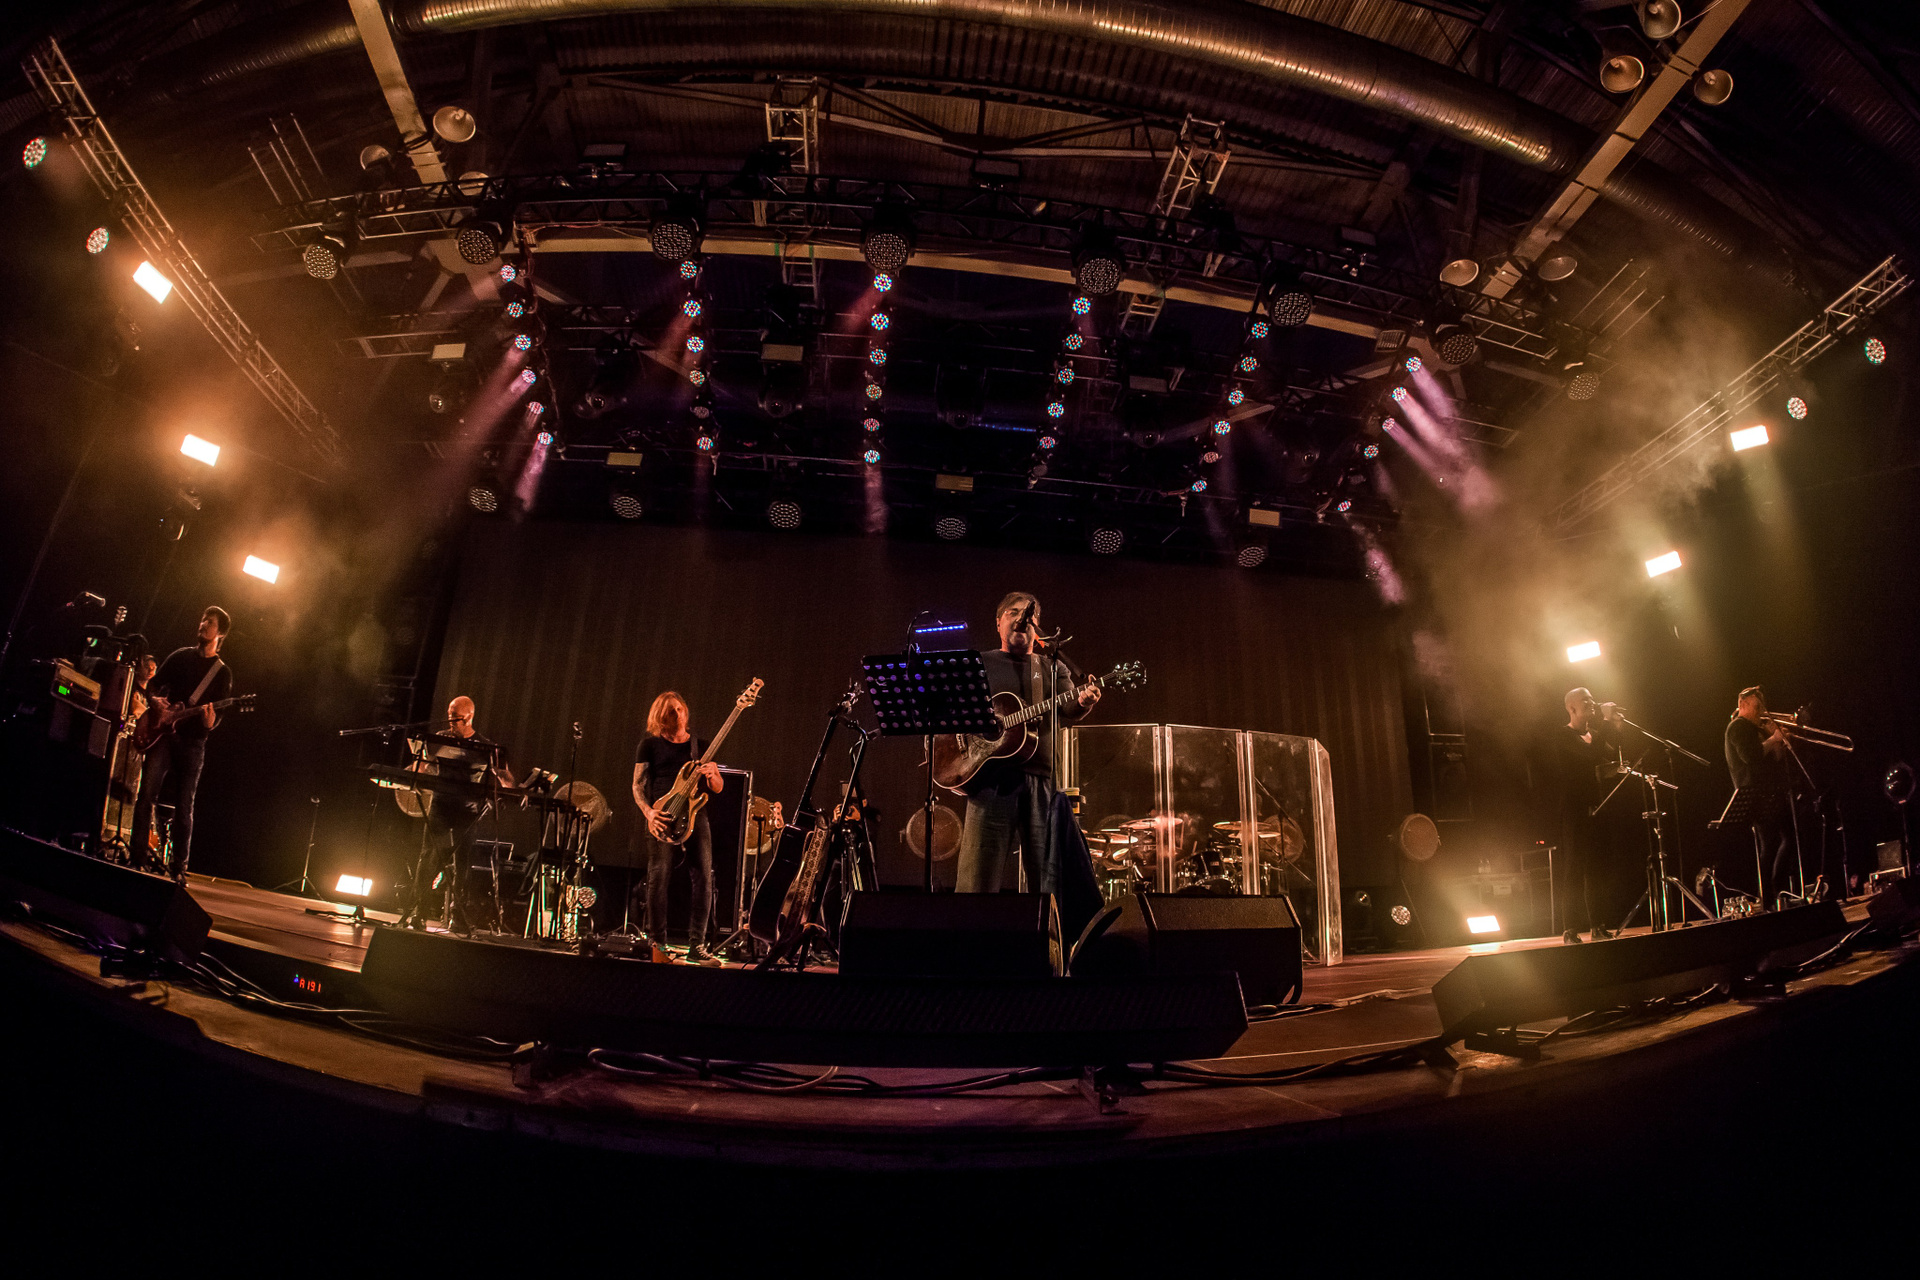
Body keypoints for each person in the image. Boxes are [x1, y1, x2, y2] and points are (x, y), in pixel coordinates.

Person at [956, 592, 1101, 896]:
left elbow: (1068, 708)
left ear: (1037, 629)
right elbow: (955, 711)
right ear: (998, 623)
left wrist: (1084, 701)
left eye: (1029, 615)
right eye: (1013, 612)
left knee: (1048, 882)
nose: (1022, 618)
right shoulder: (979, 664)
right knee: (976, 881)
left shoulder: (1051, 667)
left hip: (1041, 780)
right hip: (990, 779)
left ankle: (1046, 929)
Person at [131, 607, 233, 879]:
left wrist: (210, 721)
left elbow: (217, 718)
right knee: (145, 795)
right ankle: (136, 858)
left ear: (220, 633)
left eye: (210, 622)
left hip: (193, 743)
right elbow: (153, 685)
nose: (203, 624)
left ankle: (179, 868)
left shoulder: (222, 673)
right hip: (163, 736)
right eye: (203, 619)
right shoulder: (180, 657)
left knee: (184, 805)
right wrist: (155, 701)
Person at [406, 695, 513, 932]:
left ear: (469, 717)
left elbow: (505, 777)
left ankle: (458, 917)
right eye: (449, 715)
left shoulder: (484, 745)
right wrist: (416, 764)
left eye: (455, 717)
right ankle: (418, 912)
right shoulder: (441, 738)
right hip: (440, 806)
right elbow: (424, 766)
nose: (450, 721)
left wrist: (511, 785)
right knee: (429, 858)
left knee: (463, 863)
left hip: (468, 811)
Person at [633, 691, 724, 965]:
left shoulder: (700, 746)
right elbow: (637, 785)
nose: (677, 714)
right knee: (659, 876)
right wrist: (650, 814)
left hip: (696, 814)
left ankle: (698, 946)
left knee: (704, 878)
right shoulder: (649, 745)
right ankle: (657, 944)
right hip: (662, 815)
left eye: (679, 709)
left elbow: (718, 787)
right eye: (670, 711)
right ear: (660, 717)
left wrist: (713, 775)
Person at [1552, 687, 1625, 943]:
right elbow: (1588, 757)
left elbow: (1607, 755)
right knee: (1574, 869)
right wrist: (1606, 722)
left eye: (1592, 699)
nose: (1592, 703)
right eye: (1586, 700)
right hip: (1575, 811)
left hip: (1598, 807)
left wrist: (1616, 729)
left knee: (1597, 869)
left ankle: (1598, 926)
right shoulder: (1562, 736)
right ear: (1572, 708)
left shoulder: (1595, 734)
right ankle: (1570, 930)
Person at [1725, 686, 1797, 909]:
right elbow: (1752, 756)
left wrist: (1781, 743)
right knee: (1770, 844)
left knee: (1790, 837)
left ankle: (1777, 890)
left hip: (1771, 791)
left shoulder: (1756, 728)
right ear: (1743, 704)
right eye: (1757, 707)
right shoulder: (1738, 727)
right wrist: (1773, 738)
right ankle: (1768, 896)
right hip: (1754, 794)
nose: (1761, 713)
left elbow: (1774, 758)